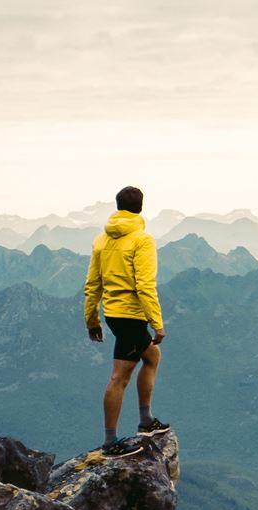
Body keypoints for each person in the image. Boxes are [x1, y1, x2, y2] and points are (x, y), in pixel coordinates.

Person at [84, 186, 170, 456]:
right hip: (131, 316)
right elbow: (145, 284)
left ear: (117, 206)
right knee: (119, 378)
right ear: (141, 208)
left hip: (112, 313)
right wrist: (157, 322)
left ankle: (146, 420)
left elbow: (92, 283)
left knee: (152, 356)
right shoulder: (142, 240)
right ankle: (110, 442)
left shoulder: (101, 240)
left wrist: (92, 319)